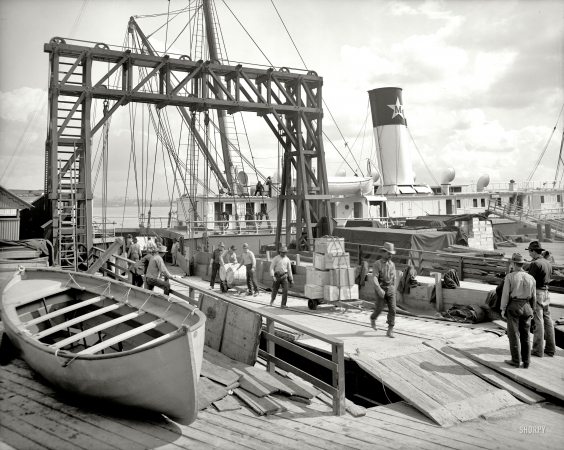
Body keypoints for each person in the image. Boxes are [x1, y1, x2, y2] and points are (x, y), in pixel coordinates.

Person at [500, 253, 536, 368]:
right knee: (526, 335)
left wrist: (503, 309)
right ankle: (526, 361)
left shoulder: (510, 277)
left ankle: (515, 360)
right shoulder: (531, 278)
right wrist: (532, 310)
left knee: (514, 334)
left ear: (514, 263)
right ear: (522, 264)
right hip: (527, 306)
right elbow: (534, 296)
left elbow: (505, 295)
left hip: (514, 306)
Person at [526, 241, 556, 357]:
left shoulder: (535, 264)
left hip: (537, 293)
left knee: (538, 321)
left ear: (533, 251)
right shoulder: (548, 263)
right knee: (548, 321)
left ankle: (538, 350)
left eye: (529, 251)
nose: (529, 254)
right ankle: (550, 349)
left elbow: (530, 282)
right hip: (546, 293)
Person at [370, 242, 397, 338]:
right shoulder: (377, 264)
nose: (390, 256)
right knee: (379, 308)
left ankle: (390, 329)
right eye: (389, 253)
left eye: (391, 254)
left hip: (390, 288)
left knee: (393, 309)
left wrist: (394, 289)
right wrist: (379, 289)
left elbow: (394, 278)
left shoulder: (392, 265)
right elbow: (374, 278)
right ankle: (373, 318)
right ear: (384, 252)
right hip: (380, 288)